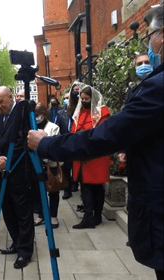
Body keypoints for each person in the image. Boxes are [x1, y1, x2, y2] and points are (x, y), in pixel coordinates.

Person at [28, 5, 162, 275]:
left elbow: (106, 134)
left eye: (151, 36)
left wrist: (46, 144)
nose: (150, 46)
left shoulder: (157, 88)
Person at [0, 86, 35, 269]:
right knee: (7, 211)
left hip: (18, 171)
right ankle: (16, 242)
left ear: (10, 97)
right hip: (1, 174)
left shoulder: (21, 114)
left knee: (23, 213)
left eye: (2, 101)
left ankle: (25, 251)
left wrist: (7, 161)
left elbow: (25, 142)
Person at [70, 85, 111, 229]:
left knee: (97, 187)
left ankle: (96, 216)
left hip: (96, 157)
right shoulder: (79, 113)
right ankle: (89, 216)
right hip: (82, 157)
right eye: (82, 99)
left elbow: (102, 135)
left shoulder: (103, 113)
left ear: (93, 99)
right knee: (85, 186)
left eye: (86, 99)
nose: (83, 101)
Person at [32, 103, 61, 228]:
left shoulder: (53, 127)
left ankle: (53, 216)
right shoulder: (31, 127)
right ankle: (41, 215)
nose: (35, 118)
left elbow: (55, 146)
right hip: (36, 163)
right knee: (38, 191)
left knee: (53, 190)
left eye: (37, 115)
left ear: (42, 116)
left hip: (51, 164)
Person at [57, 83, 82, 199]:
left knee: (78, 167)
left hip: (78, 142)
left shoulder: (81, 109)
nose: (75, 92)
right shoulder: (62, 113)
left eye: (78, 90)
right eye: (74, 90)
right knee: (66, 167)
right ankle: (67, 189)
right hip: (66, 142)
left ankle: (75, 184)